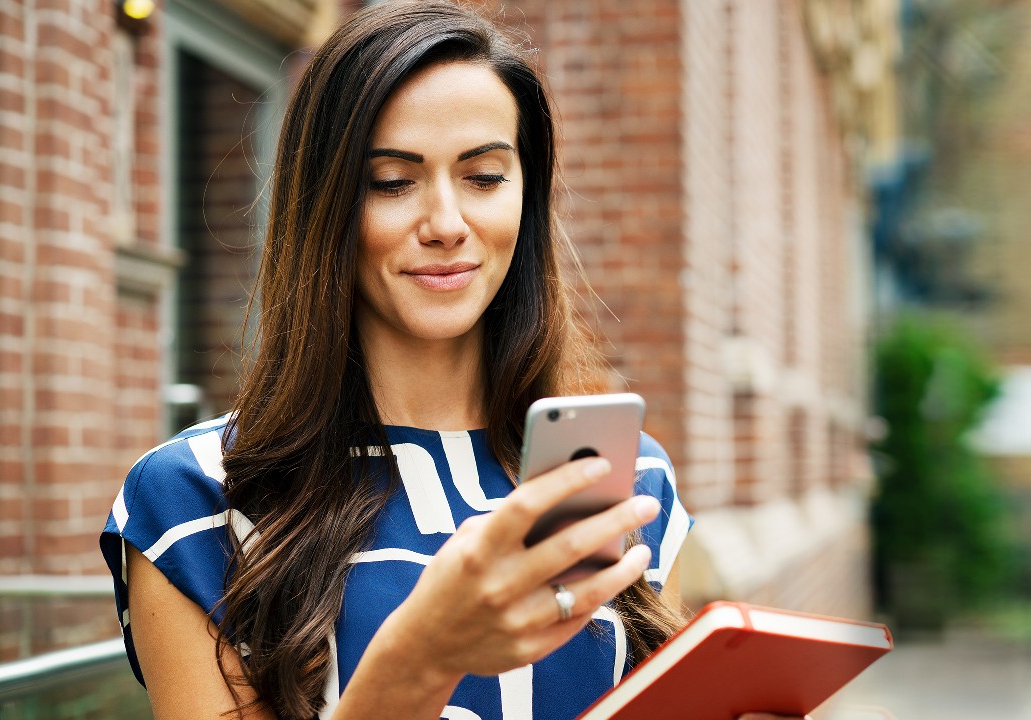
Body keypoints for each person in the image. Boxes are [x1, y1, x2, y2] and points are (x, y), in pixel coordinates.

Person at [101, 2, 807, 719]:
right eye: (392, 182)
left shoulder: (617, 479)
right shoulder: (194, 500)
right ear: (326, 206)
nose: (446, 224)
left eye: (484, 177)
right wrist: (421, 658)